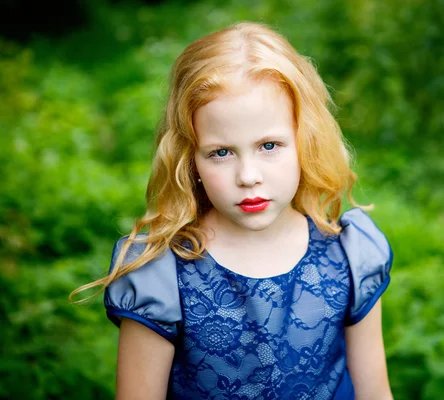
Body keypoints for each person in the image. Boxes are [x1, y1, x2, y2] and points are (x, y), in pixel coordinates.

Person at [71, 21, 393, 400]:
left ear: (305, 139)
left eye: (269, 146)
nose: (248, 176)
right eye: (221, 153)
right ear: (190, 160)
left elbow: (375, 393)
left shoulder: (350, 256)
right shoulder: (160, 274)